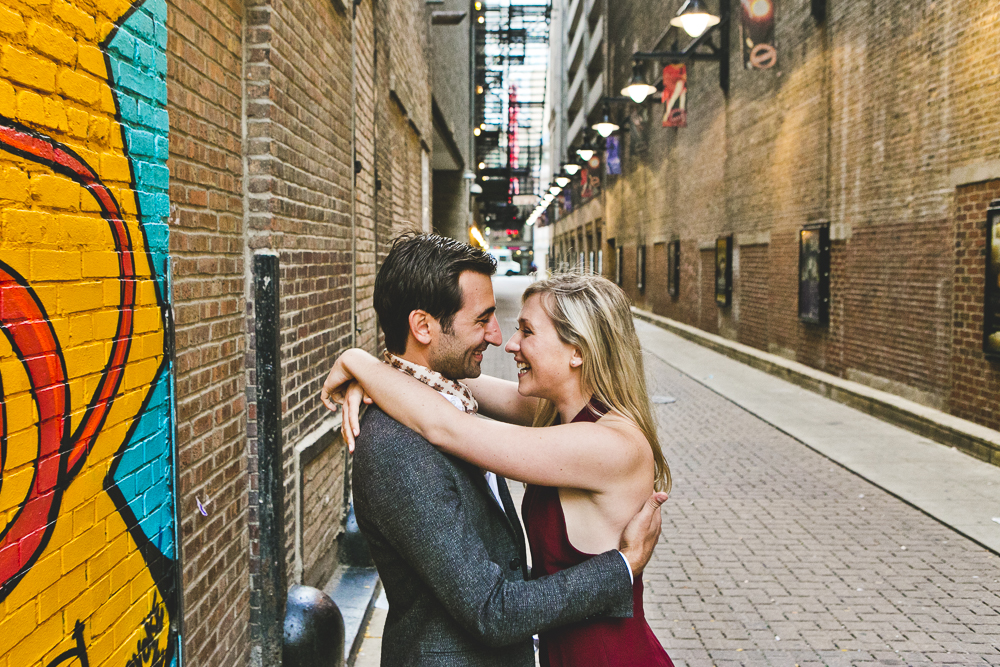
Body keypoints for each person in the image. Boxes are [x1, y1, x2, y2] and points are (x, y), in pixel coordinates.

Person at [322, 233, 667, 667]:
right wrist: (377, 374)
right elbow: (445, 384)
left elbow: (446, 423)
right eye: (486, 319)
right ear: (424, 325)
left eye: (526, 331)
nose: (504, 340)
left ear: (576, 352)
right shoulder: (553, 412)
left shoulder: (606, 443)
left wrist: (361, 363)